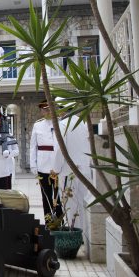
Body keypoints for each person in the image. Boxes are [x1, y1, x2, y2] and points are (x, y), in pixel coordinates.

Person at [52, 97, 90, 229]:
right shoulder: (82, 123)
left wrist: (56, 169)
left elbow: (59, 150)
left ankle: (74, 237)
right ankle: (83, 236)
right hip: (84, 170)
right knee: (82, 205)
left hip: (69, 171)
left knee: (70, 206)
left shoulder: (62, 125)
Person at [30, 101, 63, 222]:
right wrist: (33, 164)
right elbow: (33, 146)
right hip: (43, 165)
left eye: (49, 109)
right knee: (46, 196)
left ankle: (60, 221)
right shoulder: (37, 125)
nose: (47, 111)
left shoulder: (60, 123)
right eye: (44, 109)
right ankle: (49, 221)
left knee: (59, 195)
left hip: (58, 164)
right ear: (41, 111)